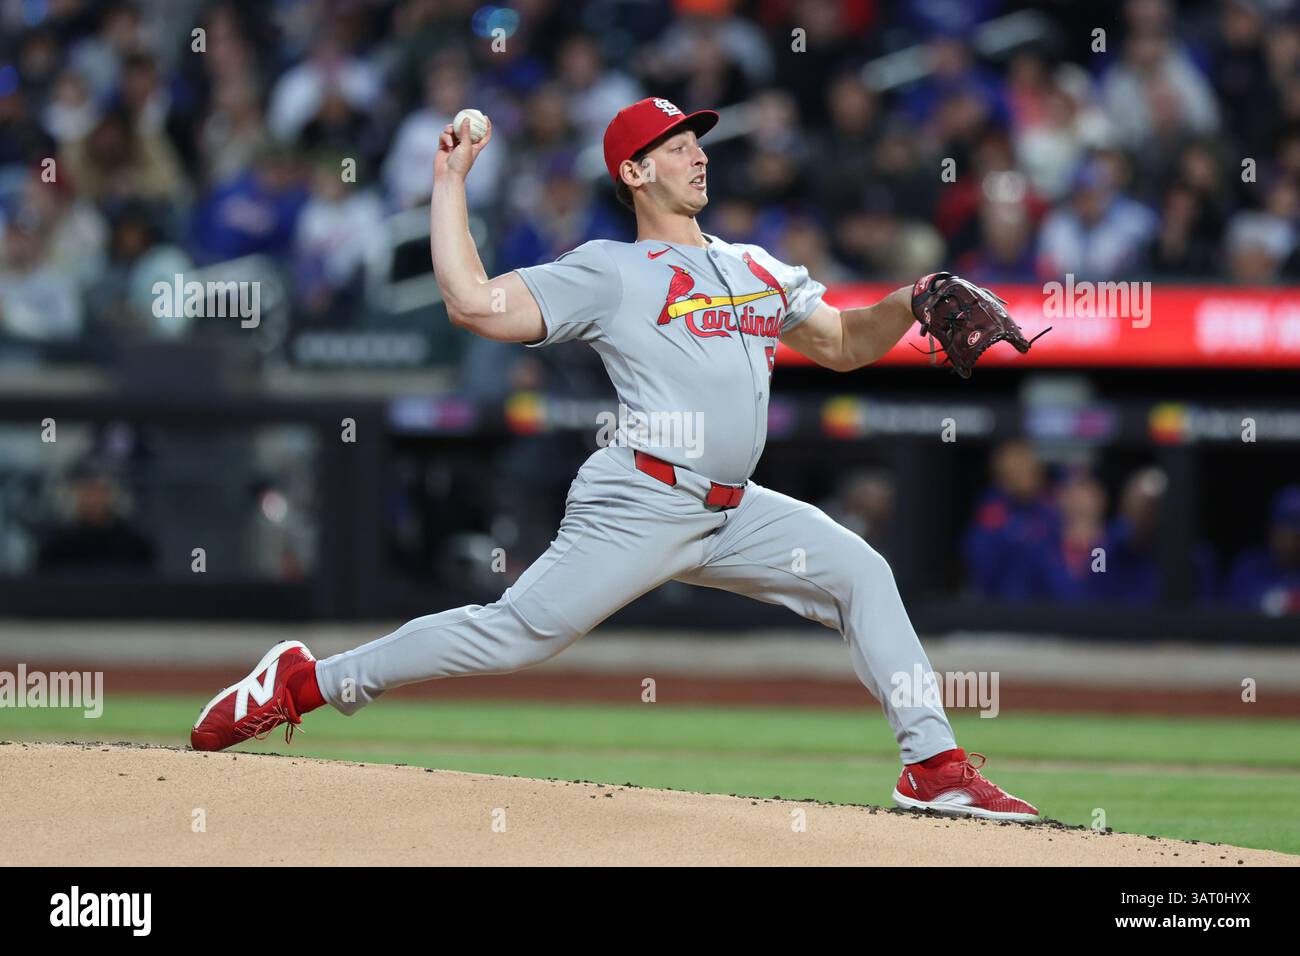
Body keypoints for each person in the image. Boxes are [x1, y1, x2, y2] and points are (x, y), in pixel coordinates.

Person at [190, 97, 1040, 822]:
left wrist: (909, 298)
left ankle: (933, 766)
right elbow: (473, 304)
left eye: (696, 140)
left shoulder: (753, 265)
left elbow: (850, 343)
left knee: (862, 572)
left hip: (735, 508)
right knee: (513, 636)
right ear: (634, 173)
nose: (696, 154)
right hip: (641, 497)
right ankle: (306, 682)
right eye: (674, 147)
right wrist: (450, 183)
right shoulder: (611, 270)